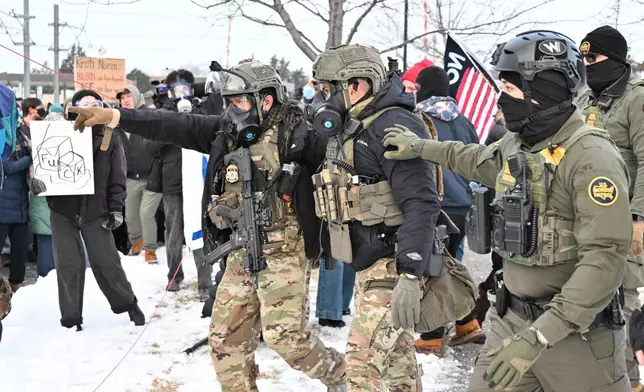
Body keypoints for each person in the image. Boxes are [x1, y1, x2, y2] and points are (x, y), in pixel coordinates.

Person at [68, 60, 347, 392]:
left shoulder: (299, 134)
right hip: (242, 248)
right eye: (229, 101)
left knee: (286, 340)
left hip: (285, 251)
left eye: (240, 101)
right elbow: (170, 124)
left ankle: (340, 376)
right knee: (224, 340)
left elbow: (347, 154)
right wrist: (116, 116)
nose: (233, 109)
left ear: (266, 99)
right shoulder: (225, 133)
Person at [382, 30, 632, 391]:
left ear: (541, 93)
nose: (501, 99)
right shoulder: (520, 143)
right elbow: (473, 158)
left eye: (510, 89)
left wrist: (538, 337)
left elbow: (604, 262)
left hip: (576, 339)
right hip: (510, 322)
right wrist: (421, 147)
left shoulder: (591, 157)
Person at [310, 43, 442, 391]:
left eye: (328, 90)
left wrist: (410, 275)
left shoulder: (393, 124)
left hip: (393, 266)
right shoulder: (357, 123)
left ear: (358, 85)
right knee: (398, 365)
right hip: (370, 265)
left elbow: (422, 201)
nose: (323, 99)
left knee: (361, 362)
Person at [575, 25, 644, 391]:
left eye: (594, 58)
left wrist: (639, 218)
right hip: (588, 221)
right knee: (592, 303)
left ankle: (629, 382)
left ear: (616, 60)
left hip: (625, 221)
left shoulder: (636, 99)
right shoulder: (586, 101)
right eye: (583, 58)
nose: (587, 65)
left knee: (622, 305)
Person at [41, 90, 145, 331]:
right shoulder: (59, 133)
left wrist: (116, 208)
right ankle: (71, 318)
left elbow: (118, 176)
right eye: (83, 103)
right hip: (62, 210)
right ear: (73, 107)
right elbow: (45, 167)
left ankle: (128, 303)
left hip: (96, 209)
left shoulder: (109, 134)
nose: (88, 107)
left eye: (93, 103)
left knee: (106, 261)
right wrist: (40, 184)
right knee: (68, 264)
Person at [412, 65, 486, 354]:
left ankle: (432, 335)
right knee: (452, 264)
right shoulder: (464, 121)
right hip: (464, 206)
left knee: (432, 269)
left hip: (435, 205)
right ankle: (467, 324)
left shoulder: (421, 120)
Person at [117, 85, 163, 263]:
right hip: (130, 176)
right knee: (130, 215)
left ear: (137, 97)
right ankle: (137, 242)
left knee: (146, 214)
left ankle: (150, 250)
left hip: (152, 177)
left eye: (129, 96)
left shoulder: (149, 117)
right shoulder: (118, 120)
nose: (126, 100)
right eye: (123, 98)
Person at [471, 108, 508, 327]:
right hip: (502, 207)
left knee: (500, 266)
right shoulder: (502, 132)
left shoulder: (499, 130)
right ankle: (480, 307)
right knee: (502, 267)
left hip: (498, 207)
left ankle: (479, 306)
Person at [0, 84, 31, 292]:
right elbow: (6, 166)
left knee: (20, 252)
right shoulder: (3, 135)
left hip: (20, 206)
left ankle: (16, 285)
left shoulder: (20, 132)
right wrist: (30, 159)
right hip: (3, 206)